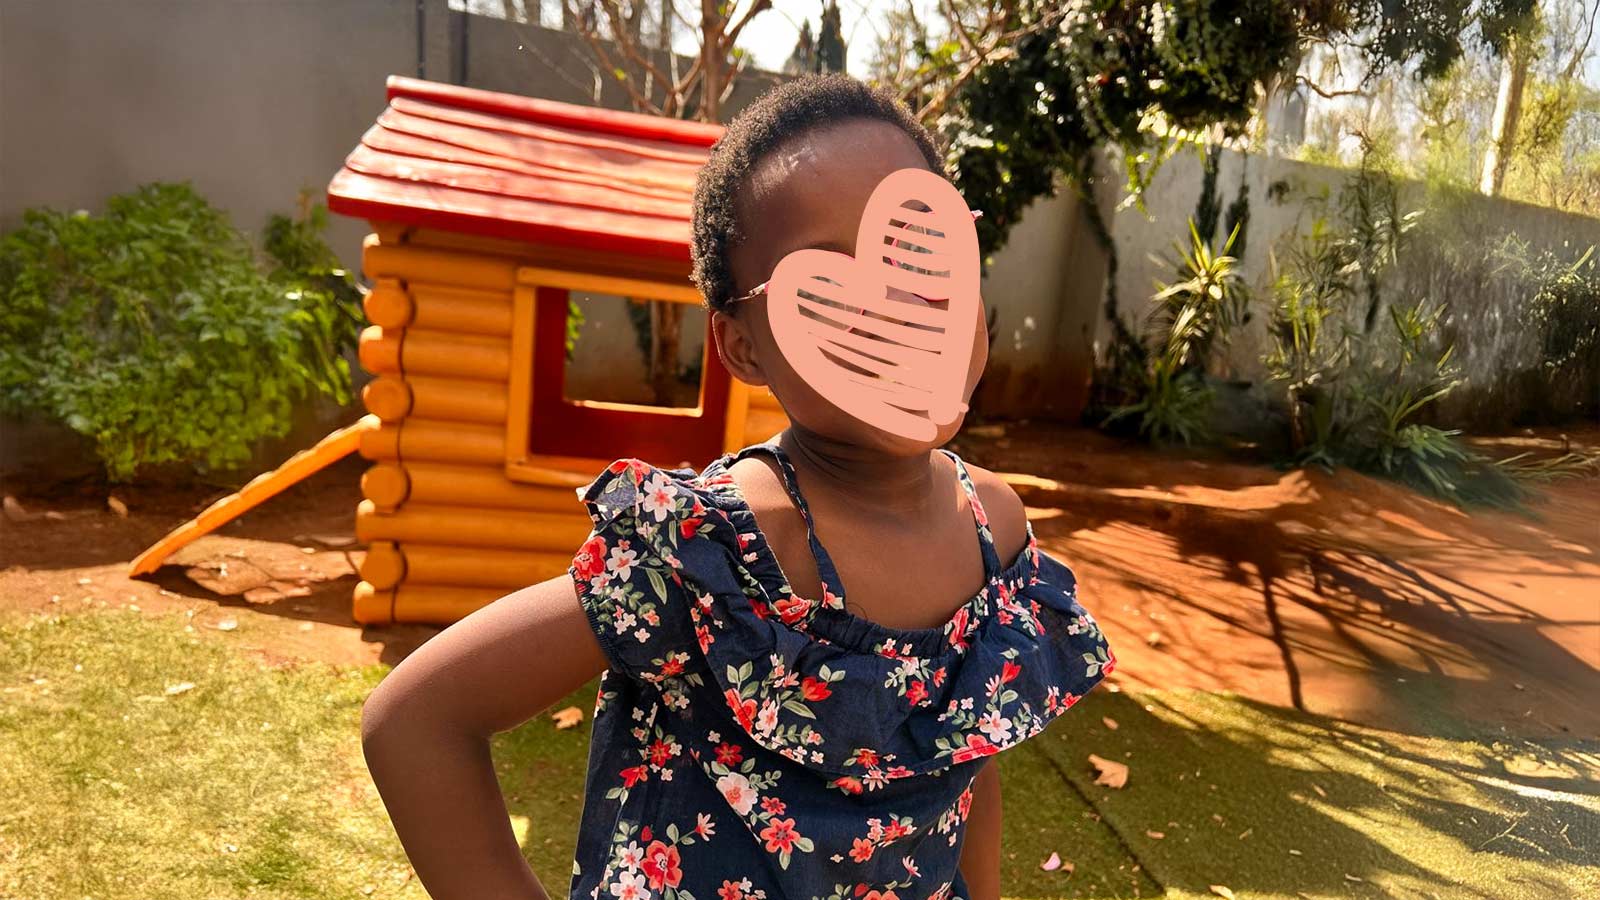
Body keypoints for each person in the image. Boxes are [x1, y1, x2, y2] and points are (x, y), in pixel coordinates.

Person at [360, 74, 1114, 900]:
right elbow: (416, 721)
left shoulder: (992, 528)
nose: (898, 307)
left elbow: (967, 749)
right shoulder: (712, 552)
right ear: (742, 345)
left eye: (921, 249)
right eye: (825, 285)